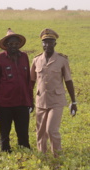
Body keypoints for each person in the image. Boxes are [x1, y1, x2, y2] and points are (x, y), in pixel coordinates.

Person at [30, 28, 77, 157]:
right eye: (45, 42)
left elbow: (68, 81)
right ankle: (42, 156)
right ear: (42, 44)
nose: (47, 45)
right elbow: (31, 81)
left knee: (51, 130)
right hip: (41, 100)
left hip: (56, 100)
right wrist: (29, 100)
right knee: (40, 131)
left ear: (55, 43)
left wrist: (74, 101)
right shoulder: (36, 60)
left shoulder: (62, 60)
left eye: (50, 42)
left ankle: (57, 156)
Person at [0, 28, 33, 153]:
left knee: (23, 132)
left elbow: (27, 80)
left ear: (19, 44)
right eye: (11, 44)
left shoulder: (24, 57)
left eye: (16, 44)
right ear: (6, 45)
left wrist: (30, 100)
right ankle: (5, 153)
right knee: (5, 133)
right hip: (5, 104)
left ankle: (25, 153)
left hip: (22, 102)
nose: (14, 46)